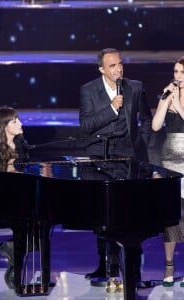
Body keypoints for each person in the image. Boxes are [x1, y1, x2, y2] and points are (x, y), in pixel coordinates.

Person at [79, 48, 152, 289]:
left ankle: (132, 271)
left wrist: (141, 144)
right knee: (103, 215)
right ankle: (105, 266)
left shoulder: (135, 87)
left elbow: (146, 119)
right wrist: (111, 109)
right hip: (100, 155)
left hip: (129, 156)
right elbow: (86, 125)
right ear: (101, 69)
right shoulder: (88, 90)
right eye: (112, 66)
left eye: (120, 64)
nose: (118, 69)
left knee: (132, 216)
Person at [0, 105, 30, 289]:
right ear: (4, 126)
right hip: (1, 195)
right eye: (14, 121)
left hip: (20, 194)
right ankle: (15, 253)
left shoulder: (21, 145)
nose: (20, 123)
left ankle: (15, 251)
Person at [152, 56, 184, 287]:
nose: (178, 76)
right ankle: (169, 267)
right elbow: (155, 126)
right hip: (171, 158)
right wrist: (165, 102)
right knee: (172, 215)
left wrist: (179, 105)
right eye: (176, 71)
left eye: (182, 72)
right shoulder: (168, 93)